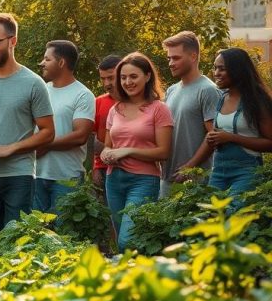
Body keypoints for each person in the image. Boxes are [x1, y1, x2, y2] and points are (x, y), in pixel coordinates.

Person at [0, 13, 54, 254]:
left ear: (12, 41)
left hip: (20, 174)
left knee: (14, 244)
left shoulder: (33, 83)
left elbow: (48, 132)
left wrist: (10, 148)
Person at [100, 52, 173, 252]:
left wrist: (127, 151)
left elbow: (163, 152)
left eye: (133, 76)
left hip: (143, 181)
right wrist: (107, 153)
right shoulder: (116, 109)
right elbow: (108, 144)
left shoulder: (159, 109)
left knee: (128, 241)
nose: (127, 82)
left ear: (147, 76)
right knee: (122, 243)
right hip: (113, 179)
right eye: (123, 78)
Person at [34, 41, 95, 213]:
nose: (42, 63)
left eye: (47, 59)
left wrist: (44, 144)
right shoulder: (41, 91)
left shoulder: (83, 94)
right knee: (32, 234)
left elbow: (80, 135)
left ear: (61, 63)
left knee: (64, 236)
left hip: (67, 179)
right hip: (36, 175)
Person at [205, 47, 272, 197]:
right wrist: (213, 139)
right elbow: (219, 134)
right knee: (209, 216)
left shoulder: (257, 100)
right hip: (218, 170)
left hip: (247, 171)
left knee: (232, 214)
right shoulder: (222, 98)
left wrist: (231, 138)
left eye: (222, 69)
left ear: (237, 69)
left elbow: (270, 143)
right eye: (215, 68)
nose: (216, 73)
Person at [161, 31, 220, 196]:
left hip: (196, 179)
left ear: (193, 56)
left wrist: (190, 167)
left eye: (176, 58)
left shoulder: (208, 90)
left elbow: (214, 136)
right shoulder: (172, 90)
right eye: (169, 58)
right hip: (167, 177)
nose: (171, 63)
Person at [92, 55, 123, 193]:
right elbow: (93, 137)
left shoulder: (140, 103)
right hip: (104, 169)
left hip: (133, 167)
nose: (106, 84)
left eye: (110, 78)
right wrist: (96, 167)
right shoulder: (99, 102)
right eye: (102, 79)